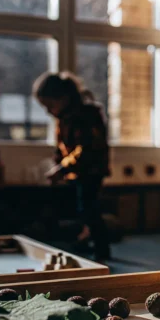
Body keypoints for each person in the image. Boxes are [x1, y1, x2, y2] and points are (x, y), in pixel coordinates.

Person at [33, 71, 111, 261]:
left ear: (64, 98)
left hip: (91, 170)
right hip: (76, 171)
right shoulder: (63, 118)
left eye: (50, 105)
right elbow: (63, 146)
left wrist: (62, 168)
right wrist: (58, 159)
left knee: (89, 207)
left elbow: (86, 149)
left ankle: (102, 248)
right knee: (82, 207)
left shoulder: (87, 115)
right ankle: (86, 237)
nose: (49, 111)